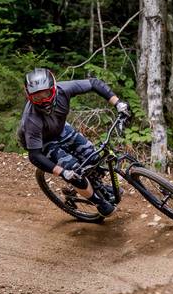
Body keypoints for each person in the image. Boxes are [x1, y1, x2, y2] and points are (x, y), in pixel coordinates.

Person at [18, 68, 131, 217]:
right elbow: (34, 156)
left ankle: (99, 186)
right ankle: (98, 202)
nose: (43, 100)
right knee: (75, 173)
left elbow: (93, 83)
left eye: (46, 94)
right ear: (29, 96)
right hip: (42, 143)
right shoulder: (31, 119)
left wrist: (118, 103)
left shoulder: (63, 89)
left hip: (61, 129)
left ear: (53, 88)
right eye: (37, 97)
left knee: (94, 158)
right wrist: (63, 172)